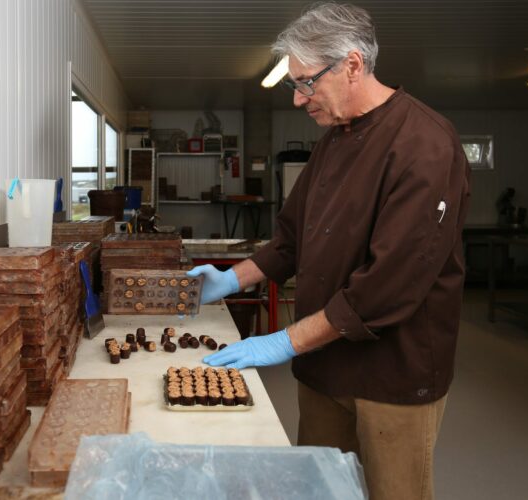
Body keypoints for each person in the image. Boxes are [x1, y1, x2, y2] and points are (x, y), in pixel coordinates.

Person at [187, 3, 470, 500]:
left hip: (392, 374)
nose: (299, 99)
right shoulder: (333, 141)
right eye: (294, 85)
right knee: (317, 489)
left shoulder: (425, 143)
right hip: (322, 365)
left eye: (306, 83)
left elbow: (389, 286)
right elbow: (291, 239)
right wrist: (233, 278)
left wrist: (282, 341)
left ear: (353, 65)